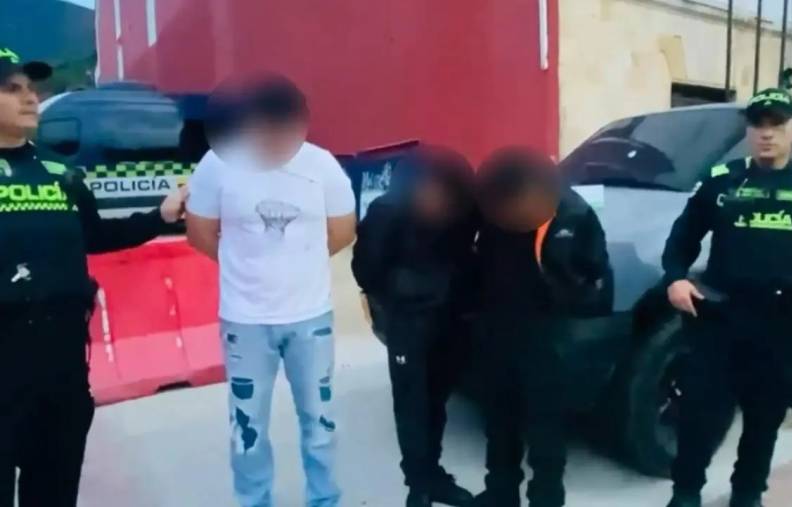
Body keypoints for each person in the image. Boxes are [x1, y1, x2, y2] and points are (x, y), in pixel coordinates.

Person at [0, 47, 186, 507]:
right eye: (12, 89)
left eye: (31, 88)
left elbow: (95, 235)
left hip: (61, 367)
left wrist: (160, 216)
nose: (30, 98)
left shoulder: (61, 171)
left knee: (54, 493)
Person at [662, 88, 792, 507]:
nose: (767, 133)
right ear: (749, 131)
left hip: (777, 322)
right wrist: (675, 278)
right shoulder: (721, 180)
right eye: (758, 125)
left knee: (764, 418)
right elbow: (682, 239)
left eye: (777, 124)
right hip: (717, 319)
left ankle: (748, 494)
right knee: (700, 414)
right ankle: (685, 492)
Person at [185, 76, 356, 507]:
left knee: (320, 424)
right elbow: (200, 233)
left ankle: (324, 499)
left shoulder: (321, 166)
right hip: (244, 322)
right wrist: (247, 266)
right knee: (247, 429)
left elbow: (342, 231)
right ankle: (254, 500)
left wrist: (298, 264)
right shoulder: (217, 165)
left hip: (310, 318)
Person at [471, 148, 612, 507]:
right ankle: (501, 493)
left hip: (547, 336)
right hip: (496, 329)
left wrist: (566, 300)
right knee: (499, 422)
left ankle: (546, 497)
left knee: (545, 428)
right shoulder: (489, 205)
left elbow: (597, 279)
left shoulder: (574, 213)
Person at [351, 146, 479, 507]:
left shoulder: (464, 208)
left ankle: (432, 475)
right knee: (411, 405)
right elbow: (366, 269)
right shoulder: (387, 211)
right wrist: (398, 298)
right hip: (408, 322)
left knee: (437, 400)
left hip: (451, 318)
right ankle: (418, 487)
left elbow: (467, 253)